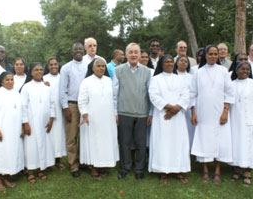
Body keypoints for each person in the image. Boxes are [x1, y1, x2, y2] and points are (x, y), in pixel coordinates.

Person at [190, 45, 234, 184]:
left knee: (220, 140)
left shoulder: (223, 71)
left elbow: (229, 92)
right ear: (205, 55)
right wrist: (193, 113)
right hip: (203, 112)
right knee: (204, 140)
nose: (214, 56)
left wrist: (225, 111)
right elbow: (192, 94)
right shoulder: (198, 72)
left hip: (219, 112)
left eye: (216, 54)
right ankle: (205, 170)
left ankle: (217, 171)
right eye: (211, 54)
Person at [149, 55, 190, 184]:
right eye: (167, 62)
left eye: (172, 62)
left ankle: (178, 170)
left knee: (178, 143)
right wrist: (170, 107)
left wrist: (175, 109)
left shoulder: (180, 79)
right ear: (162, 64)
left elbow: (185, 95)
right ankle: (163, 171)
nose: (170, 64)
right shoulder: (155, 79)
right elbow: (154, 96)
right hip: (162, 116)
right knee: (163, 142)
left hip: (177, 117)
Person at [113, 43, 151, 180]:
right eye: (131, 52)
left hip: (142, 113)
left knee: (141, 143)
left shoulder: (147, 72)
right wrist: (115, 112)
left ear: (140, 54)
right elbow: (114, 93)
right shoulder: (119, 70)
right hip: (124, 112)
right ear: (126, 54)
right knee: (125, 143)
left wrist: (150, 113)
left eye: (136, 52)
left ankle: (139, 169)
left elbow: (150, 94)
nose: (134, 55)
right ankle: (124, 168)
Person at [78, 58, 119, 180]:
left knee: (105, 141)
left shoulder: (108, 80)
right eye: (99, 66)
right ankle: (94, 168)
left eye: (103, 66)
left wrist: (115, 114)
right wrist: (85, 115)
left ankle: (103, 165)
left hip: (107, 117)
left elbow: (113, 99)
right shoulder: (86, 81)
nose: (101, 68)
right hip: (92, 118)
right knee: (94, 142)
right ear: (93, 68)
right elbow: (82, 100)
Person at [21, 63, 55, 183]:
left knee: (43, 145)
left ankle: (41, 168)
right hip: (32, 122)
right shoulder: (26, 87)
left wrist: (51, 119)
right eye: (36, 70)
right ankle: (30, 171)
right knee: (31, 146)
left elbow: (52, 104)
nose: (39, 72)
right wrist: (25, 123)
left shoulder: (47, 87)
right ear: (31, 72)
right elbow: (23, 106)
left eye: (41, 70)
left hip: (44, 122)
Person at [59, 42, 88, 178]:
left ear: (84, 51)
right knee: (72, 136)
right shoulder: (65, 68)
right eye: (75, 49)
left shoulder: (89, 65)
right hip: (72, 105)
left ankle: (84, 161)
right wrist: (66, 108)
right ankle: (73, 164)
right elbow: (62, 90)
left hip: (87, 104)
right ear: (72, 52)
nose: (78, 51)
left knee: (86, 134)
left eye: (80, 49)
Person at [230, 61, 253, 186]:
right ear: (236, 70)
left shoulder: (252, 84)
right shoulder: (231, 84)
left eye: (247, 69)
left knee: (248, 145)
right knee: (236, 144)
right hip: (234, 119)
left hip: (248, 118)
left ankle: (247, 171)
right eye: (242, 69)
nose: (245, 71)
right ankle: (237, 170)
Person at [43, 57, 67, 171]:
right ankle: (48, 161)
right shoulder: (44, 78)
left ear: (58, 65)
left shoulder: (62, 77)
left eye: (55, 64)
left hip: (60, 110)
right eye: (51, 64)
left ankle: (57, 160)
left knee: (59, 136)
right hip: (47, 111)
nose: (53, 66)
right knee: (48, 135)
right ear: (48, 67)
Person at [173, 55, 194, 149]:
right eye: (181, 60)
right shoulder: (173, 76)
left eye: (186, 61)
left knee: (189, 129)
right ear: (176, 62)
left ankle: (188, 149)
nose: (183, 62)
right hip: (175, 107)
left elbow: (193, 92)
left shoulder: (191, 77)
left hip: (188, 108)